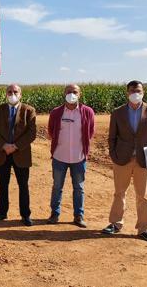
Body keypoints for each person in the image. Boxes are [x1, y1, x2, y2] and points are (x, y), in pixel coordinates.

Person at [102, 80, 147, 243]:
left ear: (143, 92)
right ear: (127, 93)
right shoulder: (118, 112)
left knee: (143, 195)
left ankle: (144, 228)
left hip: (144, 159)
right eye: (132, 90)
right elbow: (112, 137)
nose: (136, 93)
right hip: (122, 158)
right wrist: (113, 155)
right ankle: (115, 224)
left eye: (138, 90)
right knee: (119, 192)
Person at [47, 84, 95, 228]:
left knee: (79, 188)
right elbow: (51, 131)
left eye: (74, 92)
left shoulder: (87, 112)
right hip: (59, 156)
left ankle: (78, 216)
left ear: (79, 94)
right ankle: (55, 214)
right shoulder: (56, 113)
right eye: (69, 92)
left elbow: (90, 132)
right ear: (64, 94)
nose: (71, 94)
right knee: (57, 186)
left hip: (79, 158)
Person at [0, 84, 36, 226]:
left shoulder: (29, 111)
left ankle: (25, 215)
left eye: (15, 92)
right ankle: (2, 212)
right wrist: (4, 145)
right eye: (9, 92)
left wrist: (15, 146)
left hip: (20, 153)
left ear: (20, 94)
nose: (12, 94)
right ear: (5, 94)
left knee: (23, 185)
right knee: (3, 185)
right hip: (2, 153)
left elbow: (31, 133)